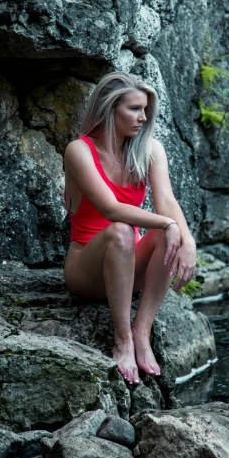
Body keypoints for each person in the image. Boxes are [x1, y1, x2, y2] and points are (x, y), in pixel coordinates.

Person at [63, 72, 196, 385]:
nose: (143, 117)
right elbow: (110, 209)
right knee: (122, 228)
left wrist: (186, 239)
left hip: (129, 270)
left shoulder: (149, 150)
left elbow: (167, 201)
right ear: (110, 110)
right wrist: (168, 223)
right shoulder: (79, 151)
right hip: (87, 269)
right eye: (135, 109)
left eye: (146, 109)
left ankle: (141, 331)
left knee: (168, 233)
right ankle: (122, 340)